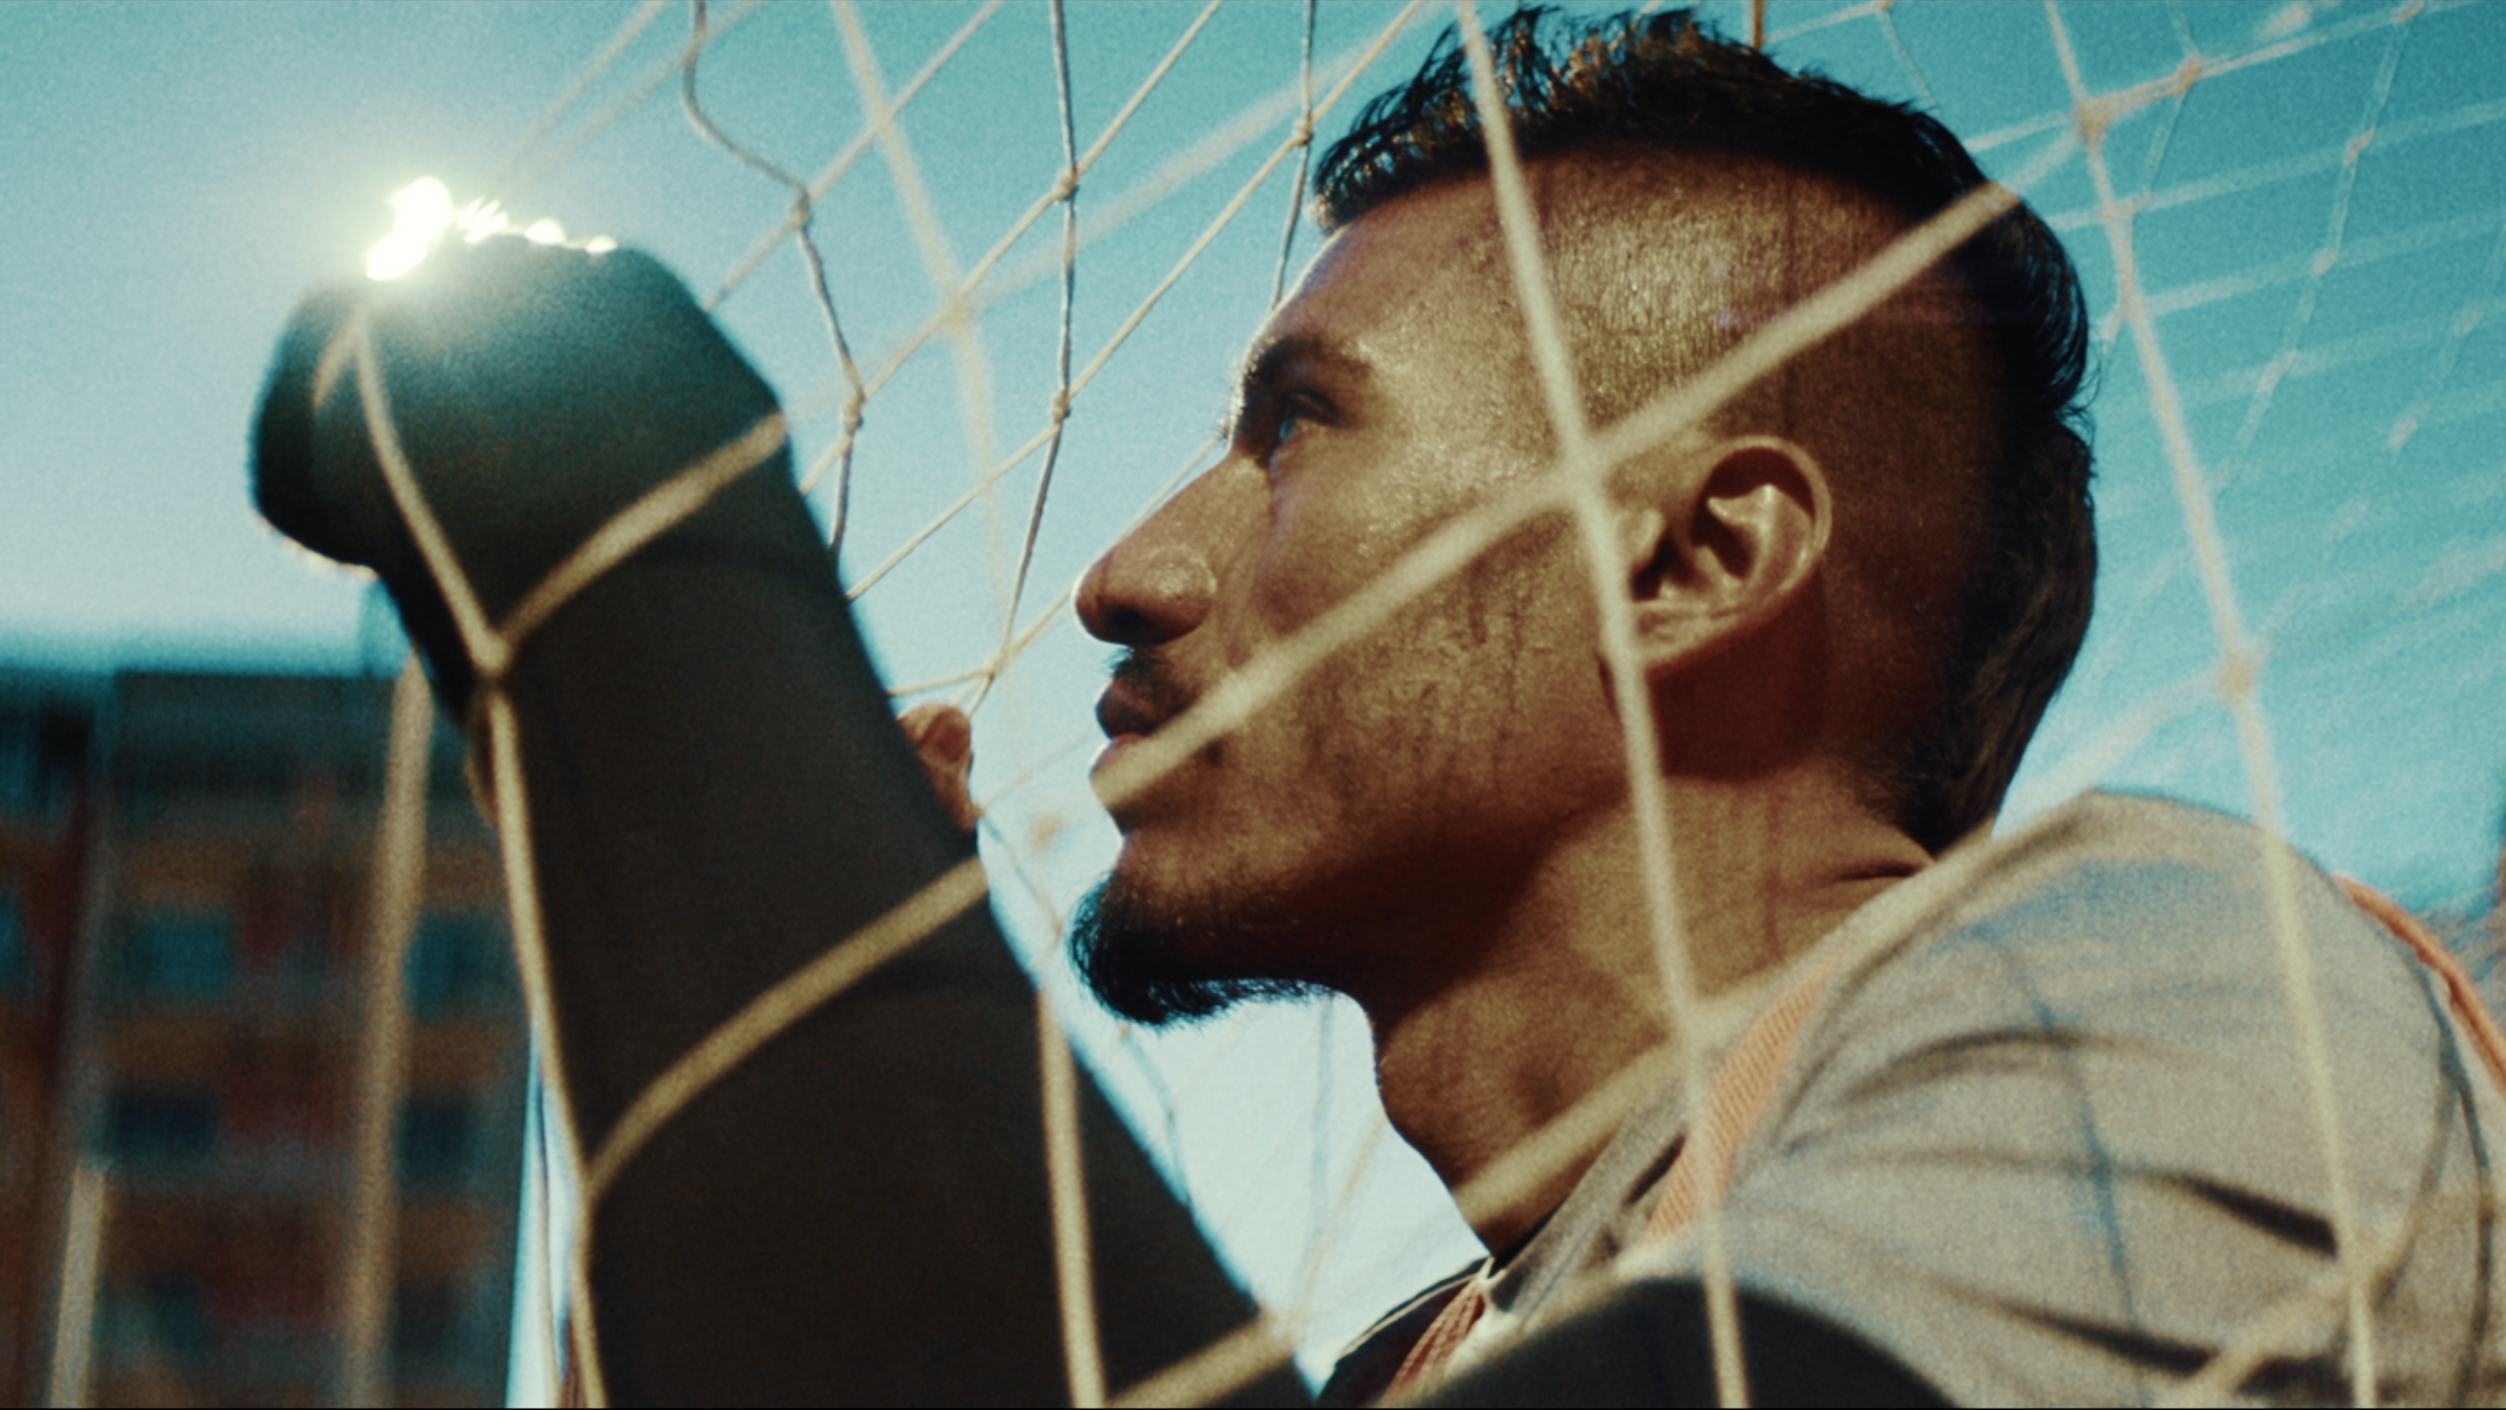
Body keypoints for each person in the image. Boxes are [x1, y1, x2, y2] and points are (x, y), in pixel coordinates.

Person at [251, 8, 2506, 1405]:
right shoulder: (1401, 1367)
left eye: (1294, 430)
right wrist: (780, 1052)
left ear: (1695, 561)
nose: (1127, 574)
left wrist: (645, 566)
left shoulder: (2177, 995)